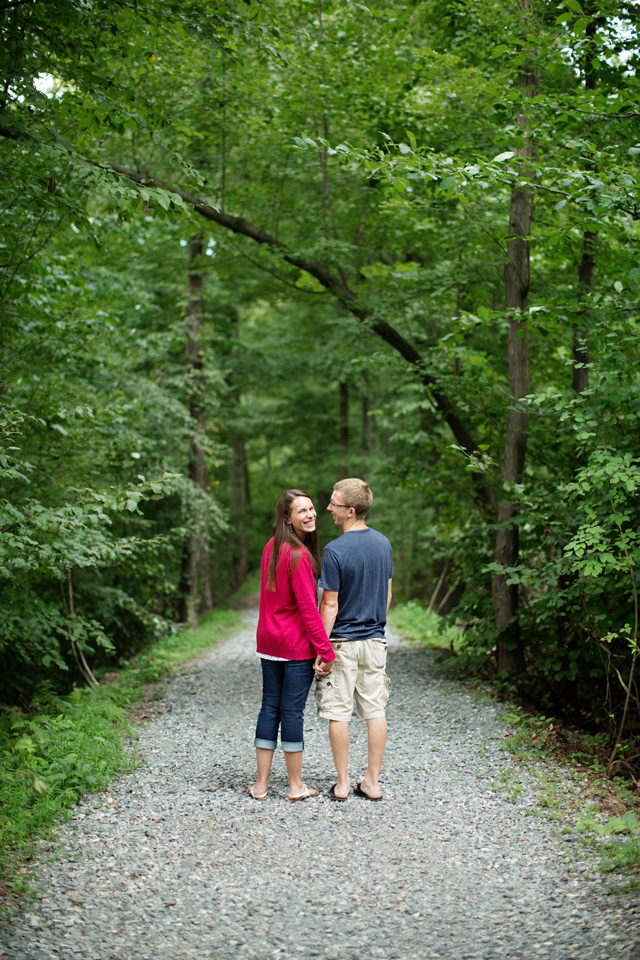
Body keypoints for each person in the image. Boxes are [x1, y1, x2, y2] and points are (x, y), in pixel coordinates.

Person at [249, 489, 335, 802]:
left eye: (312, 509)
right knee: (292, 712)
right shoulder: (298, 556)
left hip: (268, 642)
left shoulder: (272, 547)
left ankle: (260, 785)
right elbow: (309, 609)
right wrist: (326, 651)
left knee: (269, 707)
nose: (311, 515)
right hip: (295, 646)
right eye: (302, 511)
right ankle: (296, 786)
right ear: (287, 518)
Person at [314, 478, 393, 802]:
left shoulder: (334, 550)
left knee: (339, 712)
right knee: (375, 711)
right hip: (375, 642)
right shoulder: (383, 544)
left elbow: (329, 604)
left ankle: (344, 783)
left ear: (349, 510)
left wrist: (321, 647)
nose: (328, 508)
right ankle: (371, 782)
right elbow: (386, 594)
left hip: (342, 643)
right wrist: (375, 625)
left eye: (333, 503)